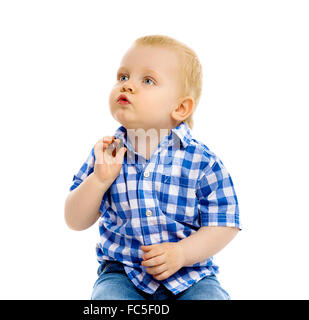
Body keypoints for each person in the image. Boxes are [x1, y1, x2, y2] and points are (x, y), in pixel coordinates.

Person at [64, 34, 241, 300]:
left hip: (191, 275)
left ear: (180, 108)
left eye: (147, 80)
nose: (128, 86)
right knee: (106, 301)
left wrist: (182, 253)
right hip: (123, 274)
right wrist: (99, 181)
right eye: (123, 77)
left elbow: (225, 223)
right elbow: (74, 220)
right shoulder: (107, 152)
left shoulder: (202, 162)